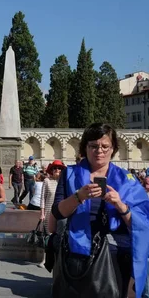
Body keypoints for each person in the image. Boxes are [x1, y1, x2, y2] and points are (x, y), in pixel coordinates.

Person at [52, 123, 149, 298]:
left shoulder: (128, 180)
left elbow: (142, 223)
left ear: (113, 149)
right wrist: (78, 196)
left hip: (117, 257)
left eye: (105, 146)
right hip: (79, 254)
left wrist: (121, 206)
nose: (99, 151)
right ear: (85, 147)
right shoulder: (70, 174)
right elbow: (58, 213)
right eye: (94, 146)